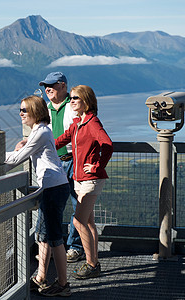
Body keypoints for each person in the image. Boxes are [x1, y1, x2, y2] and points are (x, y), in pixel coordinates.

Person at [5, 95, 71, 297]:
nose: (21, 113)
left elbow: (17, 159)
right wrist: (24, 145)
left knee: (55, 238)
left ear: (34, 111)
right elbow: (24, 151)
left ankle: (63, 285)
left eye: (24, 110)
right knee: (43, 236)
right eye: (20, 110)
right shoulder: (40, 131)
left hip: (53, 188)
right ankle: (41, 277)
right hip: (52, 187)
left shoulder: (41, 132)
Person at [54, 85, 113, 279]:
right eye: (70, 98)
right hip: (79, 179)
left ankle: (91, 263)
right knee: (88, 221)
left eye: (75, 98)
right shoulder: (78, 123)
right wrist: (34, 143)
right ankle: (93, 261)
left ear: (86, 101)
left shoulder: (92, 122)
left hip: (90, 179)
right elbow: (60, 141)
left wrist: (97, 166)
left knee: (79, 221)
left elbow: (108, 144)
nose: (71, 101)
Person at [39, 71, 85, 263]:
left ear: (63, 86)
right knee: (51, 206)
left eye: (51, 85)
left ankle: (75, 247)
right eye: (45, 86)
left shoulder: (74, 105)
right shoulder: (45, 109)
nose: (47, 89)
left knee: (78, 206)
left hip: (73, 160)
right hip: (54, 163)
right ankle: (52, 244)